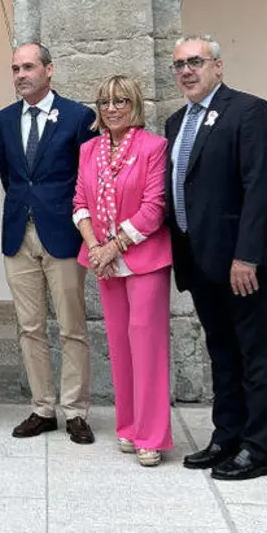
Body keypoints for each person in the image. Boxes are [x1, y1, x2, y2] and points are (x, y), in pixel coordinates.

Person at [167, 35, 267, 481]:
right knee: (221, 352)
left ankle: (259, 449)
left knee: (256, 354)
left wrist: (247, 256)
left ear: (217, 66)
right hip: (201, 261)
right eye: (179, 64)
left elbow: (261, 188)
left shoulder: (249, 111)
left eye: (195, 61)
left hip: (243, 263)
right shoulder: (176, 122)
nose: (186, 71)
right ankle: (227, 437)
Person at [0, 43, 98, 443]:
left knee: (72, 326)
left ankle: (75, 411)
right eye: (15, 68)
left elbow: (86, 178)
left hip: (63, 235)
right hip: (19, 234)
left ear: (49, 70)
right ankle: (42, 408)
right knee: (29, 327)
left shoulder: (78, 116)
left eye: (28, 67)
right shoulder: (4, 119)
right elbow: (11, 178)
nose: (21, 75)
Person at [72, 75, 173, 466]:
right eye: (105, 102)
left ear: (135, 105)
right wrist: (96, 247)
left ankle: (152, 436)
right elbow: (80, 202)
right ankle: (129, 427)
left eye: (120, 101)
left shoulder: (153, 147)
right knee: (119, 346)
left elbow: (154, 207)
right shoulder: (89, 150)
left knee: (146, 346)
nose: (112, 109)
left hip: (143, 260)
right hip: (105, 262)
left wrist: (113, 245)